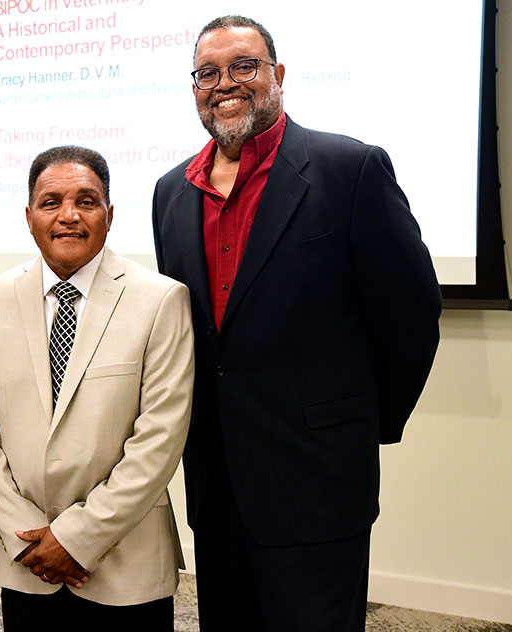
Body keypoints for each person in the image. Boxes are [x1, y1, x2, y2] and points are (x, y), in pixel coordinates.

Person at [151, 15, 442, 632]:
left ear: (277, 75)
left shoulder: (350, 169)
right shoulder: (171, 191)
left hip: (317, 479)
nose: (224, 83)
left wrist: (361, 424)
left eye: (244, 66)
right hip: (216, 478)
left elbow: (412, 316)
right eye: (207, 73)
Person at [0, 146, 194, 630]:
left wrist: (77, 539)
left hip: (125, 561)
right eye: (51, 202)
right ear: (28, 217)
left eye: (86, 201)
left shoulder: (160, 300)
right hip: (27, 559)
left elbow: (159, 440)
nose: (68, 215)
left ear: (109, 215)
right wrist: (26, 535)